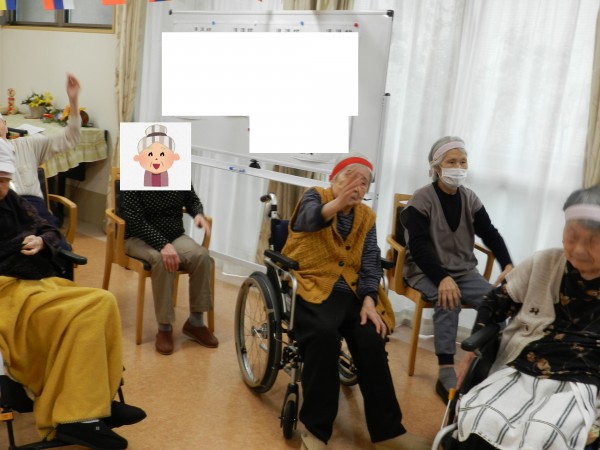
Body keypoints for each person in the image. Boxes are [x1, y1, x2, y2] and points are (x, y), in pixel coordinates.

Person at [0, 141, 145, 450]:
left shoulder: (10, 199)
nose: (2, 187)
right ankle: (75, 418)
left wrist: (41, 242)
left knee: (102, 301)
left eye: (4, 180)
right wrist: (17, 246)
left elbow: (47, 227)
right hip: (6, 292)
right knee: (82, 312)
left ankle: (97, 401)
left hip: (33, 282)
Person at [282, 154, 431, 450]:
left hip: (350, 294)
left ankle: (388, 432)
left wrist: (369, 300)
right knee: (323, 337)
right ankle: (315, 431)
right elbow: (307, 220)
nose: (356, 184)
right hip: (312, 286)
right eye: (349, 176)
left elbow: (371, 261)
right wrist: (338, 204)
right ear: (333, 178)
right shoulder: (315, 196)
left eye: (363, 181)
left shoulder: (366, 217)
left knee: (371, 337)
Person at [453, 185, 600, 450]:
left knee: (545, 434)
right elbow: (494, 303)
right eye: (571, 236)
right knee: (479, 416)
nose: (579, 249)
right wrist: (470, 354)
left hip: (582, 381)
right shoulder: (545, 262)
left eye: (593, 241)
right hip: (522, 366)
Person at [400, 136, 513, 402]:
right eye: (451, 162)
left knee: (497, 301)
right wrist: (442, 278)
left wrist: (507, 263)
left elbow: (490, 233)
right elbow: (417, 246)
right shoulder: (422, 198)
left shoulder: (470, 198)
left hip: (463, 271)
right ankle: (446, 370)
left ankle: (479, 363)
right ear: (436, 166)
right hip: (425, 270)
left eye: (463, 161)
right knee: (448, 299)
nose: (458, 167)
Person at [121, 186, 217, 355]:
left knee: (201, 256)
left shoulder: (177, 171)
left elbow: (192, 199)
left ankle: (195, 322)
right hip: (138, 238)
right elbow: (134, 220)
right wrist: (162, 245)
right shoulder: (135, 173)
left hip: (174, 236)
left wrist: (198, 214)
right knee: (162, 259)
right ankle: (164, 328)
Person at [0, 73, 82, 230]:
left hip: (35, 210)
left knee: (56, 242)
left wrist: (73, 101)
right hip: (4, 215)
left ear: (6, 126)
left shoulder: (28, 144)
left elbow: (70, 138)